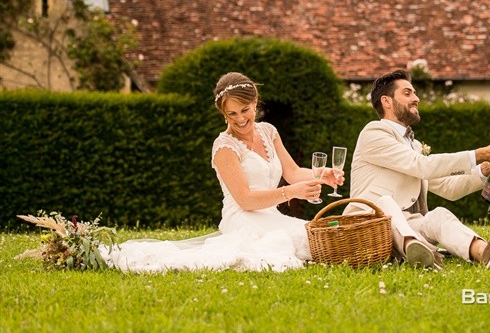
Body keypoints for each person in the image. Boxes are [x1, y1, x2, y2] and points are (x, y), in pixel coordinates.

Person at [102, 72, 343, 272]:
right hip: (242, 218)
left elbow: (292, 172)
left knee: (311, 232)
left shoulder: (269, 132)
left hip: (269, 215)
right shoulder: (225, 147)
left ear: (255, 103)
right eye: (232, 114)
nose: (240, 119)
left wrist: (321, 174)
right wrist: (292, 193)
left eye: (245, 110)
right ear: (223, 113)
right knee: (302, 240)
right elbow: (246, 200)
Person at [345, 69, 490, 269]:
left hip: (407, 225)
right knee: (385, 202)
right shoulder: (374, 132)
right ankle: (417, 250)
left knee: (439, 215)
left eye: (415, 93)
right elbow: (422, 167)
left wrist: (485, 169)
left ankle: (486, 253)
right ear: (387, 101)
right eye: (408, 93)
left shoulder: (414, 145)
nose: (416, 98)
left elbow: (449, 188)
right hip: (370, 228)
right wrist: (480, 153)